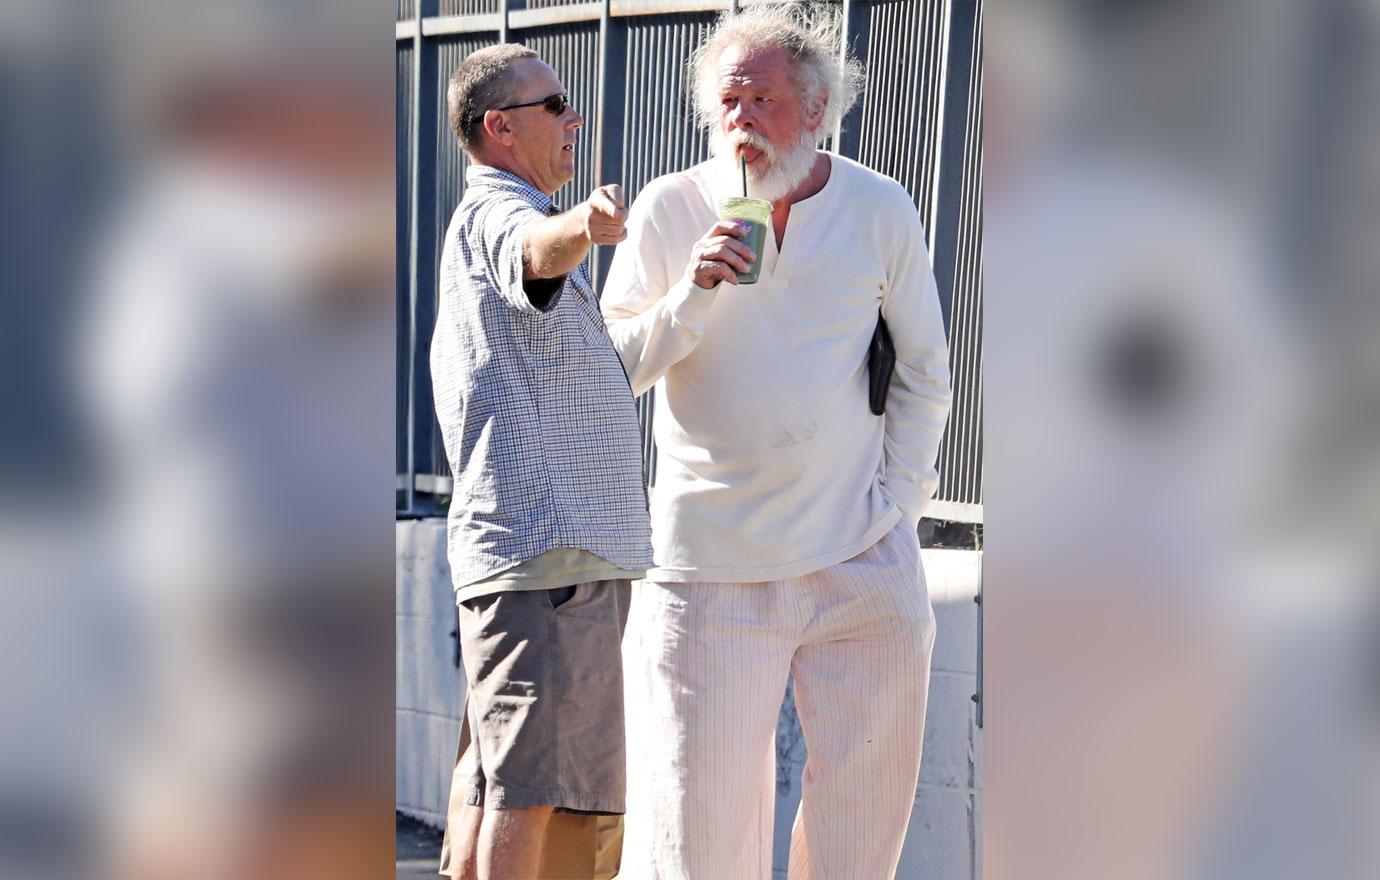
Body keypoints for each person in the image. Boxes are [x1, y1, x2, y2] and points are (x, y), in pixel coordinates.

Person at [601, 6, 952, 878]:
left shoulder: (878, 207)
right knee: (697, 838)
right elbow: (608, 378)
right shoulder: (670, 207)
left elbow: (924, 367)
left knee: (860, 829)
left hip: (858, 558)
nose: (742, 121)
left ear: (819, 109)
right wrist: (691, 292)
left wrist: (897, 504)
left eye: (762, 99)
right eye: (728, 102)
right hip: (708, 568)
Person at [429, 44, 652, 880]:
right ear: (501, 126)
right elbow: (537, 250)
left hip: (544, 552)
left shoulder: (488, 212)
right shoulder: (498, 209)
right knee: (535, 786)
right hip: (547, 552)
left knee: (503, 776)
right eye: (556, 105)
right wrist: (584, 228)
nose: (575, 118)